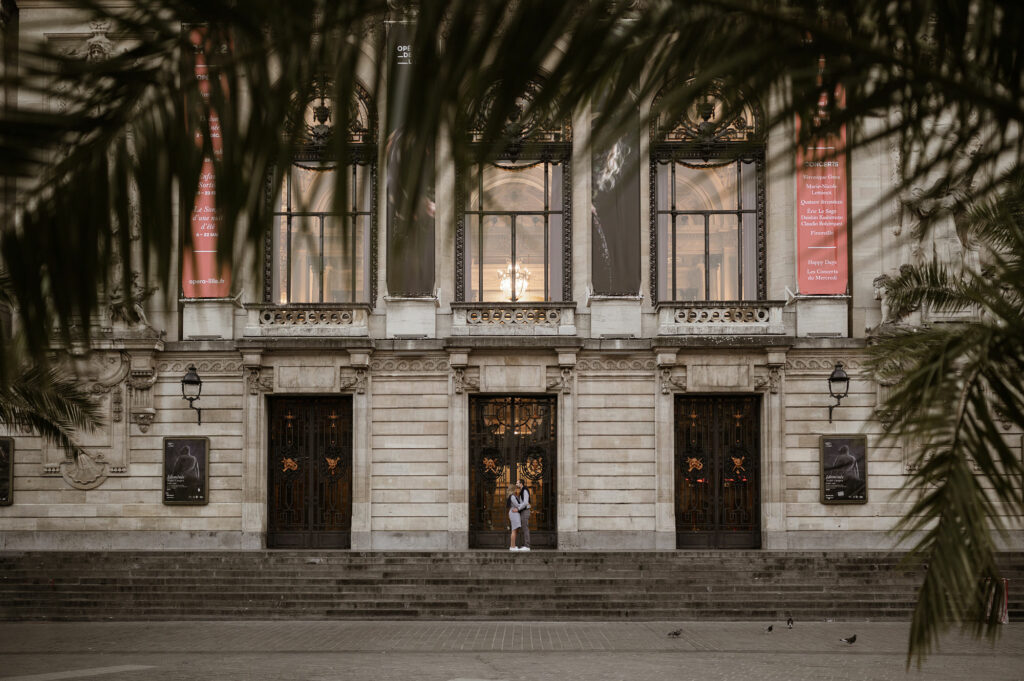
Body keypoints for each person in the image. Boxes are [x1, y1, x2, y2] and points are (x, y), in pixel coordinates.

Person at [515, 479, 531, 551]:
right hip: (523, 511)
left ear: (521, 483)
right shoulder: (522, 490)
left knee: (525, 528)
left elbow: (525, 503)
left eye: (517, 483)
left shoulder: (524, 490)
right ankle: (525, 545)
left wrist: (518, 508)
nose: (516, 484)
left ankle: (527, 546)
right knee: (523, 528)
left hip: (525, 511)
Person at [507, 484, 521, 551]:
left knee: (515, 530)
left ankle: (513, 546)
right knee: (514, 530)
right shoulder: (512, 496)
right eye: (515, 488)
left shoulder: (513, 496)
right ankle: (512, 546)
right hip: (514, 513)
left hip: (514, 513)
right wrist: (524, 504)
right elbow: (517, 505)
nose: (516, 489)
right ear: (513, 489)